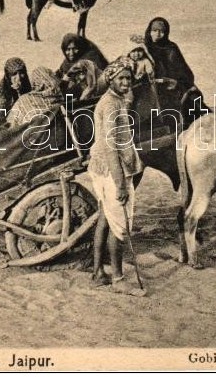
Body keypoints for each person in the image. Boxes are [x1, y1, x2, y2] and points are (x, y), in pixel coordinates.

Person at [90, 57, 146, 296]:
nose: (126, 83)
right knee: (120, 227)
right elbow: (111, 147)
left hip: (100, 168)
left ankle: (96, 273)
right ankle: (118, 278)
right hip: (113, 171)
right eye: (121, 79)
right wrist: (120, 183)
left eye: (129, 79)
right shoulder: (111, 105)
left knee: (105, 218)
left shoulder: (114, 101)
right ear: (111, 79)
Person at [143, 17, 206, 123]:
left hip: (173, 86)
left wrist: (177, 82)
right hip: (152, 86)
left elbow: (184, 71)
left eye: (162, 31)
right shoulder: (143, 47)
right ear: (149, 32)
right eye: (154, 31)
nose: (158, 34)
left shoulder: (171, 48)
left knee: (192, 100)